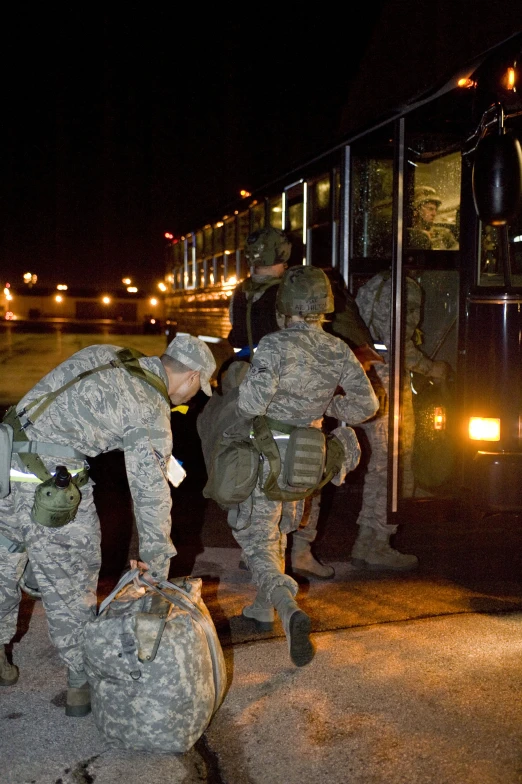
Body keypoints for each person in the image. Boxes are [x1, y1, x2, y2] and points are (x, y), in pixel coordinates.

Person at [0, 334, 216, 717]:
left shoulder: (105, 354)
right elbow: (150, 496)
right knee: (72, 586)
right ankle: (80, 686)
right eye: (199, 388)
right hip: (49, 490)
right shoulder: (150, 405)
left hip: (4, 465)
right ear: (193, 376)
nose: (192, 397)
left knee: (2, 569)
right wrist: (157, 563)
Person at [224, 266, 379, 666]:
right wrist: (328, 406)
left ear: (283, 308)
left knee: (259, 540)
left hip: (267, 456)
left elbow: (249, 406)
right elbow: (367, 406)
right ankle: (262, 607)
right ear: (325, 307)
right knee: (281, 533)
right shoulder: (339, 349)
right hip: (307, 459)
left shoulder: (273, 347)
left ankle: (289, 608)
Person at [226, 226, 337, 579]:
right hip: (287, 391)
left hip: (248, 386)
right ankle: (300, 552)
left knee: (256, 471)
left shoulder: (240, 292)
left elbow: (236, 337)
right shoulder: (290, 291)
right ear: (285, 255)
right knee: (305, 469)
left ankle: (255, 550)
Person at [349, 269, 449, 570]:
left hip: (369, 383)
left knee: (381, 467)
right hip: (390, 384)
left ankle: (366, 540)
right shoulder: (403, 289)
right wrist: (434, 369)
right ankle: (379, 542)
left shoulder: (374, 285)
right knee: (395, 466)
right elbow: (398, 341)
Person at [408, 186, 459, 250]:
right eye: (430, 209)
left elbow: (456, 247)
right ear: (416, 211)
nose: (434, 214)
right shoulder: (409, 236)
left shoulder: (444, 234)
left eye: (435, 210)